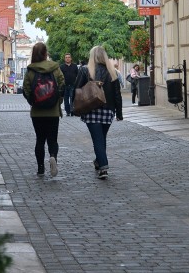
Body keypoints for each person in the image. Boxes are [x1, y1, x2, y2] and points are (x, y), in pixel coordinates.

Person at [73, 46, 123, 180]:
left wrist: (75, 107)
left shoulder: (85, 70)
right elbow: (117, 94)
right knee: (101, 138)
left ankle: (103, 167)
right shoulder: (113, 72)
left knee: (98, 139)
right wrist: (119, 113)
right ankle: (98, 161)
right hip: (108, 111)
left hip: (91, 109)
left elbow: (77, 89)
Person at [23, 42, 65, 177]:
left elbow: (26, 89)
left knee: (40, 140)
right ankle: (53, 156)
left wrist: (33, 101)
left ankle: (40, 168)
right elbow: (62, 85)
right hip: (53, 111)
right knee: (53, 139)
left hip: (37, 112)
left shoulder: (31, 70)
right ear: (46, 53)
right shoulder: (55, 68)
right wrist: (57, 100)